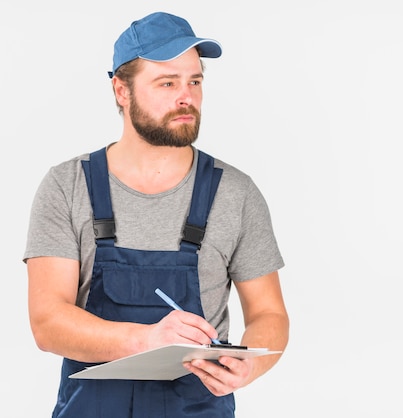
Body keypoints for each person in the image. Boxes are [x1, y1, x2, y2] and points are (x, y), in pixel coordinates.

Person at [23, 11, 289, 417]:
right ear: (121, 90)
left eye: (194, 81)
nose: (187, 97)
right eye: (167, 82)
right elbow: (47, 322)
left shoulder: (235, 194)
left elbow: (269, 314)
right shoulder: (67, 186)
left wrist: (249, 365)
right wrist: (148, 339)